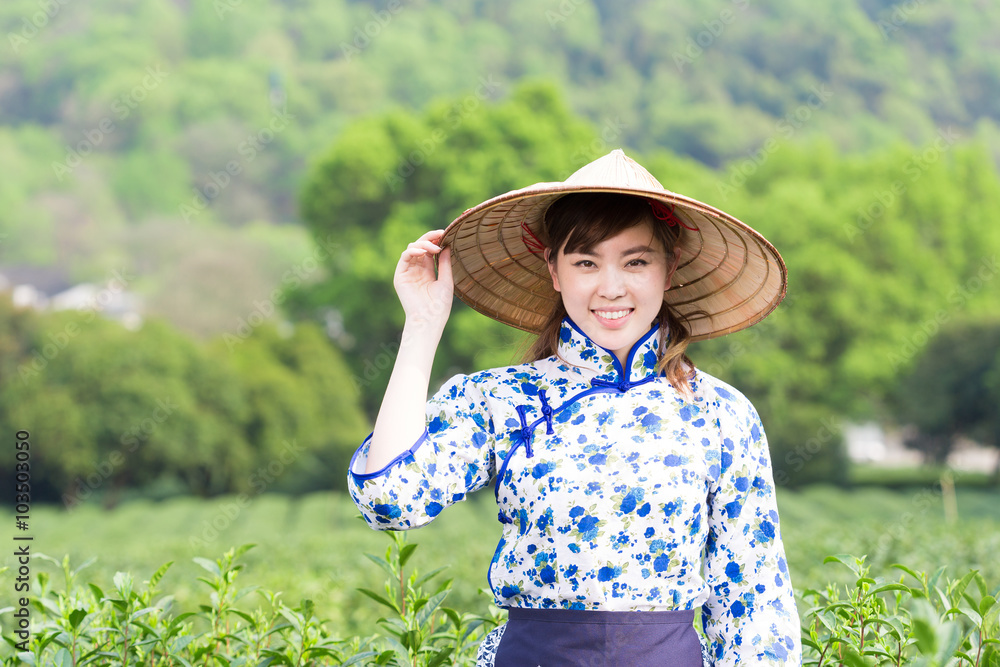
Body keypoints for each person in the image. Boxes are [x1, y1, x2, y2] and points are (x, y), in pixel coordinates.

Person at [348, 149, 801, 665]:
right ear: (554, 270)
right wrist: (422, 326)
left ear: (669, 268)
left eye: (636, 261)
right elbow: (389, 498)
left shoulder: (720, 413)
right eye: (586, 262)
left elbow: (755, 600)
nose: (611, 288)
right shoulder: (504, 399)